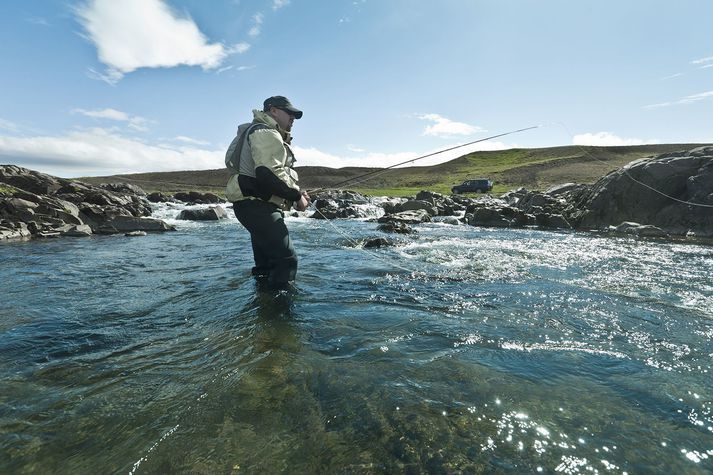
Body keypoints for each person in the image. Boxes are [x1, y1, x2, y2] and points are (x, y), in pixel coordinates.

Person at [225, 96, 310, 288]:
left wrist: (296, 192)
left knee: (266, 265)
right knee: (286, 261)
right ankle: (280, 315)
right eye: (290, 113)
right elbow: (267, 173)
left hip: (251, 205)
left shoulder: (257, 131)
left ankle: (263, 306)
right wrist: (296, 196)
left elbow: (269, 174)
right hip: (258, 207)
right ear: (273, 111)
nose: (293, 118)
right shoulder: (266, 132)